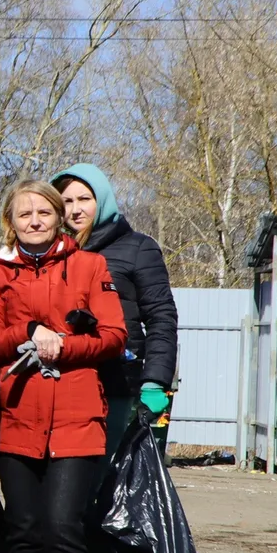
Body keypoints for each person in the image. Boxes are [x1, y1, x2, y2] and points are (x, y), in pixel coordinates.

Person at [0, 180, 125, 553]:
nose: (36, 221)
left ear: (60, 216)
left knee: (63, 527)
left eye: (45, 211)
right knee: (23, 529)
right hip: (16, 415)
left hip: (76, 416)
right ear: (11, 221)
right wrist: (26, 333)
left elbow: (113, 336)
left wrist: (65, 347)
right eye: (25, 214)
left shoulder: (89, 266)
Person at [52, 163, 178, 457]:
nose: (75, 210)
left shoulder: (138, 248)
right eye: (66, 201)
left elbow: (161, 316)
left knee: (111, 478)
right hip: (62, 380)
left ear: (103, 199)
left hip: (118, 383)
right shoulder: (52, 252)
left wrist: (155, 380)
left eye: (85, 199)